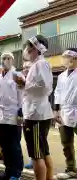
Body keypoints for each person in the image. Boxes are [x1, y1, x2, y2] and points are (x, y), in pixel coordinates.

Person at [17, 35, 54, 180]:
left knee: (36, 155)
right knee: (44, 152)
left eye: (31, 48)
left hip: (36, 115)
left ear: (38, 49)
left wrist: (24, 84)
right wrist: (25, 84)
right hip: (37, 113)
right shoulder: (37, 65)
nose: (28, 51)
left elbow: (45, 88)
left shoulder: (40, 64)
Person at [0, 52, 23, 180]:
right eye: (3, 58)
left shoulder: (17, 75)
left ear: (12, 60)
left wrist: (21, 110)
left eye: (8, 58)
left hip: (13, 115)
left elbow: (22, 94)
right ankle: (8, 171)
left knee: (14, 146)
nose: (5, 60)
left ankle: (16, 173)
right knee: (4, 146)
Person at [54, 48, 77, 179]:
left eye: (66, 57)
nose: (64, 59)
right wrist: (56, 110)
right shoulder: (62, 76)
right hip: (64, 112)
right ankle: (71, 168)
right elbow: (57, 92)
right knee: (66, 142)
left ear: (74, 58)